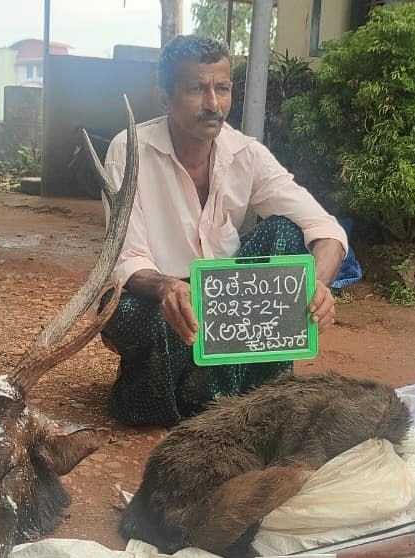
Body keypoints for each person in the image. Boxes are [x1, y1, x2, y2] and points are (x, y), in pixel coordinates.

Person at [99, 35, 349, 428]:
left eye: (222, 88)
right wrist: (168, 287)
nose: (214, 104)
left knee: (285, 233)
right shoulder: (129, 150)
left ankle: (261, 392)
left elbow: (324, 228)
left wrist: (318, 283)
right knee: (124, 314)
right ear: (164, 97)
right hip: (165, 303)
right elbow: (126, 258)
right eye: (197, 89)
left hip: (231, 310)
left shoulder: (246, 154)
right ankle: (173, 394)